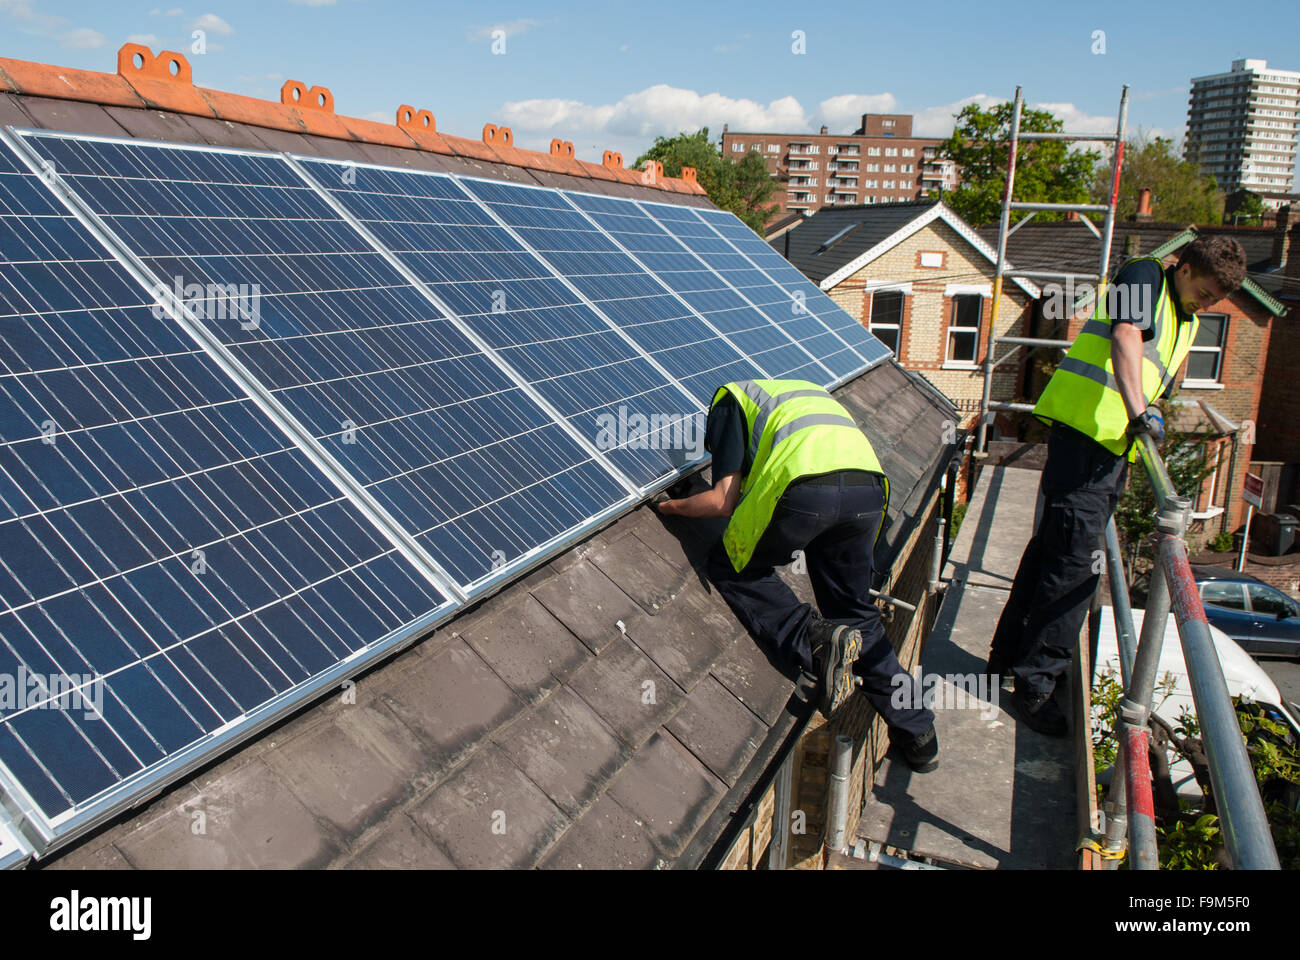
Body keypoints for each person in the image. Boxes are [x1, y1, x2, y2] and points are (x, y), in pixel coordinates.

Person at [988, 236, 1248, 736]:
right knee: (1074, 569)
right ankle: (1036, 685)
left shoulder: (1184, 318)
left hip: (1109, 450)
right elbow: (1126, 333)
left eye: (1217, 299)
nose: (1208, 303)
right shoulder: (1142, 275)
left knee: (1052, 554)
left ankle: (1007, 662)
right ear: (1186, 267)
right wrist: (1139, 411)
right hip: (1088, 439)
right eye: (1207, 291)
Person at [654, 379, 938, 772]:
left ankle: (816, 641)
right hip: (867, 490)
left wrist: (670, 508)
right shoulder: (800, 392)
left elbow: (722, 500)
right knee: (855, 611)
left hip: (807, 491)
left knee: (733, 565)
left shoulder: (727, 402)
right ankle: (919, 732)